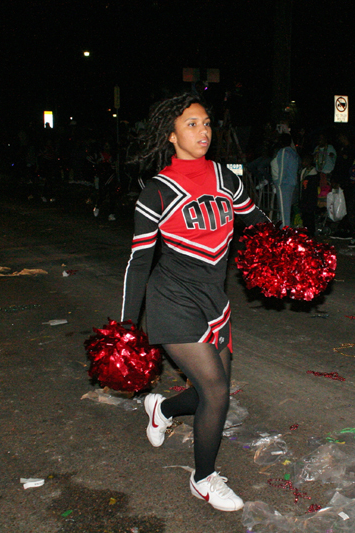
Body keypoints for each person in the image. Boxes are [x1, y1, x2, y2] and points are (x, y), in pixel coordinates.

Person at [120, 93, 268, 512]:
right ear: (171, 135)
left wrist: (288, 249)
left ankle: (162, 407)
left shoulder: (225, 177)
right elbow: (139, 261)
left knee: (209, 391)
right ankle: (203, 479)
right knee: (217, 392)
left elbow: (257, 223)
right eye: (191, 124)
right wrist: (128, 327)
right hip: (172, 300)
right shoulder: (158, 191)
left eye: (206, 124)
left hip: (214, 301)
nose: (203, 132)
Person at [270, 133, 299, 227]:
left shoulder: (283, 152)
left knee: (283, 211)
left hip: (284, 184)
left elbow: (282, 168)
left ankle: (285, 232)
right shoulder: (293, 152)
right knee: (286, 209)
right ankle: (285, 229)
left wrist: (278, 183)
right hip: (291, 183)